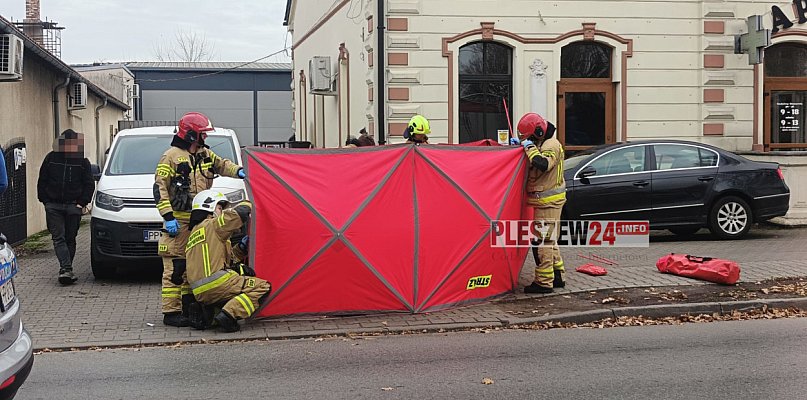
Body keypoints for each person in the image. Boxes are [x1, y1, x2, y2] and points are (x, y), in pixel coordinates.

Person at [154, 112, 245, 327]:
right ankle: (171, 312)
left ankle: (186, 307)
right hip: (178, 221)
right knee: (175, 267)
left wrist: (240, 171)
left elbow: (222, 165)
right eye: (202, 134)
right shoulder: (171, 157)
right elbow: (160, 189)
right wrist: (168, 217)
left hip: (199, 220)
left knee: (191, 266)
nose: (205, 138)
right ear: (192, 134)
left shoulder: (204, 155)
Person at [185, 191, 271, 332]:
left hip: (200, 292)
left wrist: (242, 249)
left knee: (230, 295)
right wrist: (252, 200)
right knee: (262, 286)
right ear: (209, 208)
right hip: (218, 284)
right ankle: (229, 315)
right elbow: (239, 213)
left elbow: (224, 259)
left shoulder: (193, 235)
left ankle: (211, 314)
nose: (222, 211)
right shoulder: (212, 225)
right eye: (219, 208)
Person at [36, 129, 95, 285]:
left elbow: (89, 184)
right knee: (58, 238)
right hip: (53, 206)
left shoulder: (82, 161)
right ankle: (66, 269)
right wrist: (46, 201)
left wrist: (81, 203)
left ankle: (67, 269)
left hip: (73, 206)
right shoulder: (51, 158)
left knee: (70, 238)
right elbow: (42, 180)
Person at [516, 113, 566, 294]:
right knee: (550, 240)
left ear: (538, 132)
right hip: (548, 201)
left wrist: (528, 148)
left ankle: (544, 282)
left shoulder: (551, 145)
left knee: (542, 241)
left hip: (548, 202)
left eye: (530, 137)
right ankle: (557, 274)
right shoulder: (543, 143)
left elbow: (543, 164)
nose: (528, 141)